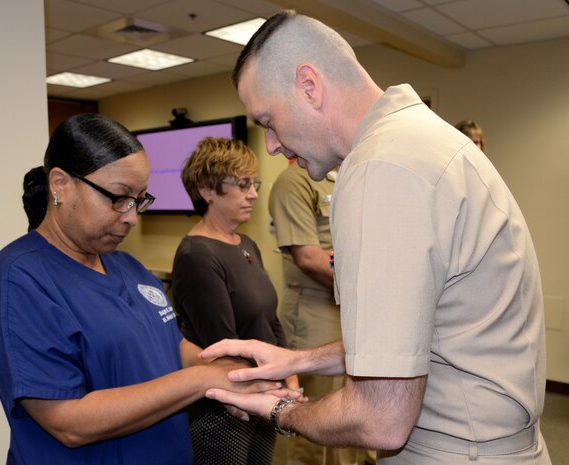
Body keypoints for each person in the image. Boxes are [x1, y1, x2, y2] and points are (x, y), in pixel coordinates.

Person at [199, 10, 551, 465]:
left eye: (267, 120)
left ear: (309, 85)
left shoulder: (383, 168)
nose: (271, 145)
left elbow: (381, 418)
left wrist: (279, 410)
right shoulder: (419, 139)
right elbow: (416, 336)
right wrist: (296, 360)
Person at [0, 113, 280, 465]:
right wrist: (201, 379)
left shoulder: (128, 267)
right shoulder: (17, 280)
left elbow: (173, 347)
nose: (132, 216)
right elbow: (68, 422)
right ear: (60, 184)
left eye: (139, 199)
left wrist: (236, 371)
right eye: (119, 197)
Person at [171, 136, 296, 465]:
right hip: (224, 405)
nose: (253, 193)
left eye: (253, 183)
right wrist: (273, 385)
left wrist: (289, 374)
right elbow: (221, 345)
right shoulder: (196, 254)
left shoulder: (247, 244)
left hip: (264, 392)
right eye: (242, 184)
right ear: (207, 191)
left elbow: (269, 320)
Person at [269, 161, 370, 465]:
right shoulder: (294, 182)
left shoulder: (352, 176)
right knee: (312, 420)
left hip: (355, 310)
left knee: (354, 414)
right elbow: (309, 257)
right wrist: (367, 287)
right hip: (316, 309)